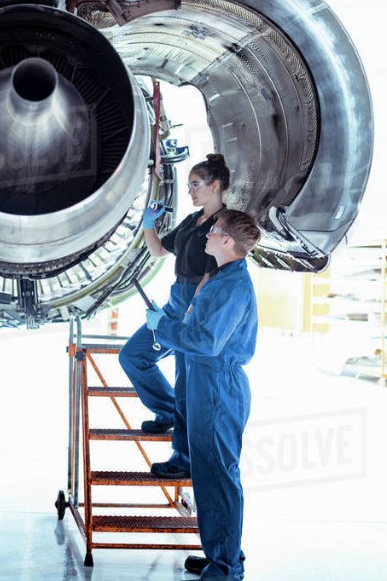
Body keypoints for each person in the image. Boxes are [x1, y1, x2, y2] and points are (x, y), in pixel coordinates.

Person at [145, 209, 261, 580]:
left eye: (213, 231)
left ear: (227, 241)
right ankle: (220, 556)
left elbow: (207, 342)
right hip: (203, 381)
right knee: (208, 477)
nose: (207, 235)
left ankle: (226, 568)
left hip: (217, 386)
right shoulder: (219, 277)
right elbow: (199, 329)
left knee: (219, 477)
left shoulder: (232, 286)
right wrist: (170, 323)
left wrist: (162, 327)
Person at [119, 154, 230, 480]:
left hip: (196, 307)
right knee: (133, 356)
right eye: (189, 186)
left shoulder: (223, 224)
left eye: (196, 185)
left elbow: (216, 272)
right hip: (175, 302)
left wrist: (193, 311)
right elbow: (158, 251)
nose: (191, 192)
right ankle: (165, 409)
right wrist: (148, 224)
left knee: (186, 386)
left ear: (216, 185)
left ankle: (183, 458)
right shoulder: (191, 221)